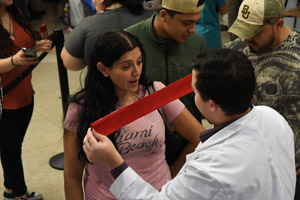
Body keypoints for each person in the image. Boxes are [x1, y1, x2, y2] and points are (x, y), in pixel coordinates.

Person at [83, 48, 296, 199]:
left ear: (211, 105)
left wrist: (113, 161)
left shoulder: (209, 170)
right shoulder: (272, 117)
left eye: (194, 91)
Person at [63, 29, 204, 200]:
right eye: (126, 66)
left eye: (139, 62)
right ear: (103, 69)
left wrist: (171, 178)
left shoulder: (156, 93)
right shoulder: (81, 108)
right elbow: (72, 175)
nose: (136, 71)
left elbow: (199, 137)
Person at [226, 0, 300, 197]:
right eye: (244, 30)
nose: (247, 38)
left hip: (294, 170)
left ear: (279, 24)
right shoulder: (233, 52)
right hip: (247, 168)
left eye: (255, 31)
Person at [0, 1, 52, 200]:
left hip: (24, 92)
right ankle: (20, 195)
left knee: (12, 145)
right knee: (11, 150)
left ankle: (10, 188)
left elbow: (22, 44)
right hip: (5, 98)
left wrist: (36, 45)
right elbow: (13, 56)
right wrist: (15, 60)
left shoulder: (15, 12)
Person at [125, 0, 208, 122]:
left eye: (196, 22)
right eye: (186, 23)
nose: (193, 29)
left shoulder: (197, 44)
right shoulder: (128, 41)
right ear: (164, 15)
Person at [60, 0, 153, 71]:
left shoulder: (90, 24)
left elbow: (70, 63)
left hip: (104, 93)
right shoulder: (154, 16)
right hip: (153, 91)